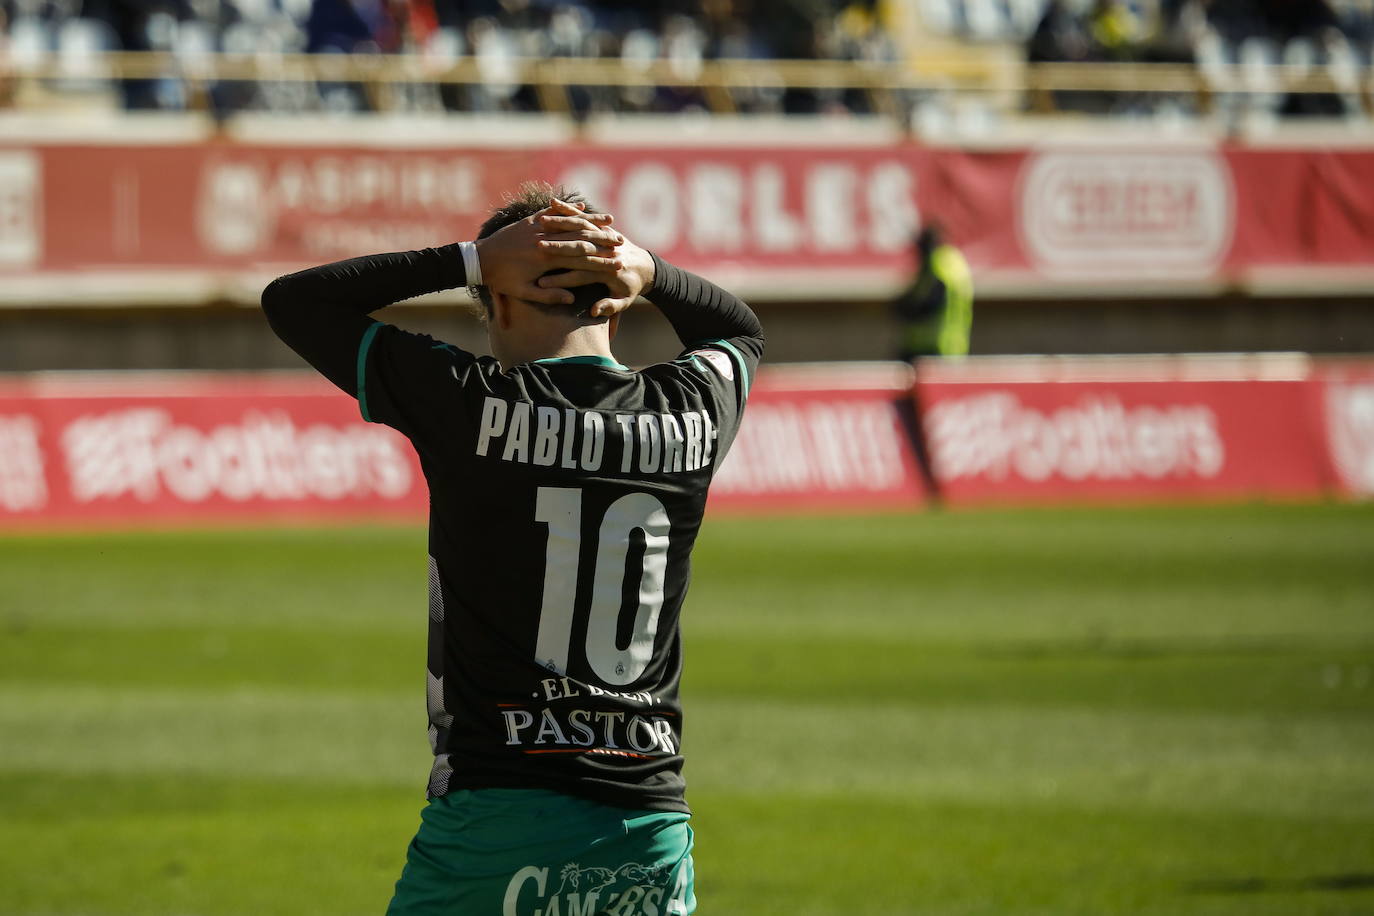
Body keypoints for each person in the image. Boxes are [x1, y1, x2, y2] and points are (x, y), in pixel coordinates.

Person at [260, 183, 763, 916]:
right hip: (649, 823)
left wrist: (471, 258)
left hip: (499, 813)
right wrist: (650, 269)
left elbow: (294, 302)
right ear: (616, 300)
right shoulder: (691, 410)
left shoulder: (466, 401)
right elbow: (742, 332)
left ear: (491, 301)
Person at [891, 224, 973, 363]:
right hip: (952, 347)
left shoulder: (938, 265)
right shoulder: (955, 262)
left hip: (932, 348)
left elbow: (929, 304)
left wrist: (904, 309)